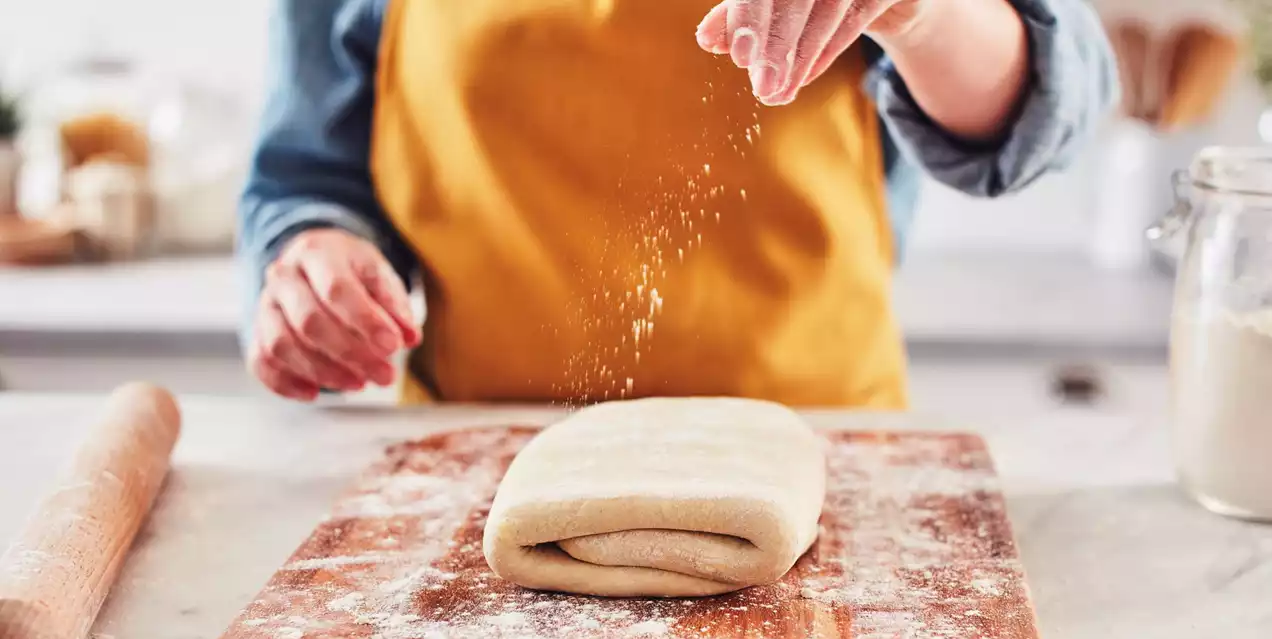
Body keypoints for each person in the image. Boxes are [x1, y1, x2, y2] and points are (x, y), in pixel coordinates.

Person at [240, 0, 1118, 408]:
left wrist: (924, 15)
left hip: (824, 455)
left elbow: (1059, 102)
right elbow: (310, 172)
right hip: (482, 463)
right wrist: (316, 252)